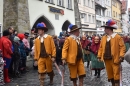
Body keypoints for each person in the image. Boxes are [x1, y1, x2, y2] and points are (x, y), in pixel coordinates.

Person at [97, 20, 126, 86]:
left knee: (116, 77)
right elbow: (101, 48)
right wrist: (99, 55)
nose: (104, 30)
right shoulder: (103, 38)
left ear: (109, 29)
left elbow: (122, 47)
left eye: (105, 28)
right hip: (107, 60)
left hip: (115, 60)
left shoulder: (118, 37)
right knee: (111, 77)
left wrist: (121, 56)